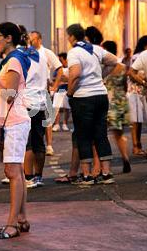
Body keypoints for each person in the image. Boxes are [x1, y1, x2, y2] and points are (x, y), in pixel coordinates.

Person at [0, 22, 34, 239]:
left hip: (15, 121)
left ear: (9, 38)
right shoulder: (13, 60)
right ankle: (21, 218)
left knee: (12, 172)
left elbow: (10, 94)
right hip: (13, 120)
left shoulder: (13, 60)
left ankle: (12, 224)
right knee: (18, 172)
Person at [66, 24, 119, 186]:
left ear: (72, 37)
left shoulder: (74, 52)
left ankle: (87, 175)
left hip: (83, 97)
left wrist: (70, 91)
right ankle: (106, 173)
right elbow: (114, 61)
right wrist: (100, 76)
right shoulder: (95, 49)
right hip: (101, 95)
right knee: (100, 134)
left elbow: (75, 74)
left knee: (84, 136)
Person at [24, 31, 61, 188]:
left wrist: (54, 87)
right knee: (38, 139)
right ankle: (37, 176)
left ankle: (29, 177)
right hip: (39, 99)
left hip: (30, 101)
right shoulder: (40, 58)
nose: (30, 42)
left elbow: (59, 69)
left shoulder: (31, 55)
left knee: (29, 142)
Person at [102, 41, 131, 174]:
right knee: (119, 134)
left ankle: (103, 167)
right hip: (121, 101)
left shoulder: (104, 67)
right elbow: (125, 86)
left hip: (108, 101)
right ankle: (125, 158)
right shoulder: (123, 67)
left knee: (101, 134)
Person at [128, 36, 147, 156]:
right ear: (145, 45)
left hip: (141, 91)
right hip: (135, 91)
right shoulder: (138, 56)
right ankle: (135, 146)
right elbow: (133, 74)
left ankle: (138, 145)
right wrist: (143, 80)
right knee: (135, 121)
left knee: (139, 120)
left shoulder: (142, 55)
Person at [52, 53, 70, 131]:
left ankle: (65, 124)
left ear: (65, 59)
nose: (59, 61)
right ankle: (56, 124)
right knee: (56, 107)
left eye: (61, 60)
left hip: (68, 89)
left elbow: (70, 78)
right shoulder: (58, 69)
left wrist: (64, 79)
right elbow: (55, 79)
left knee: (67, 107)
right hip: (59, 89)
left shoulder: (70, 68)